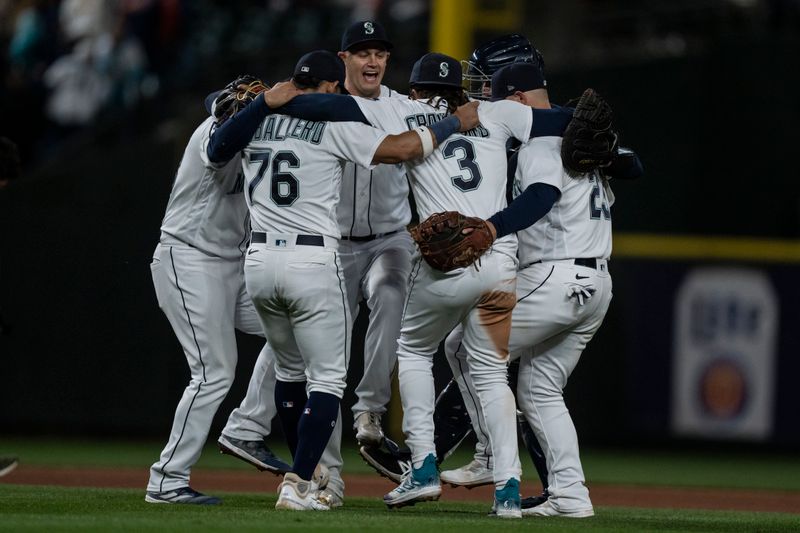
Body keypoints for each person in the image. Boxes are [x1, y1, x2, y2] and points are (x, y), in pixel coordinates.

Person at [206, 50, 478, 511]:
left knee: (289, 372)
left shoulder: (257, 120)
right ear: (335, 85)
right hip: (312, 258)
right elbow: (405, 149)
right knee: (328, 381)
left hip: (257, 263)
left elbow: (216, 150)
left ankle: (304, 469)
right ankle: (298, 483)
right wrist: (453, 123)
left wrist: (263, 104)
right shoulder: (334, 124)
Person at [444, 62, 643, 518]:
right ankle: (571, 496)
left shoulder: (543, 142)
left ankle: (491, 455)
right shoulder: (582, 144)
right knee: (539, 389)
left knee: (462, 346)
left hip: (555, 277)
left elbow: (540, 198)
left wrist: (491, 228)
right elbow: (635, 165)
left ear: (514, 101)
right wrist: (614, 157)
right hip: (596, 285)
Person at [145, 75, 290, 505]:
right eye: (238, 107)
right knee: (214, 372)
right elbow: (219, 145)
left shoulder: (259, 140)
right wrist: (258, 107)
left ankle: (245, 426)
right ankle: (167, 479)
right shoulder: (213, 133)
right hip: (188, 259)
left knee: (291, 329)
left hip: (232, 265)